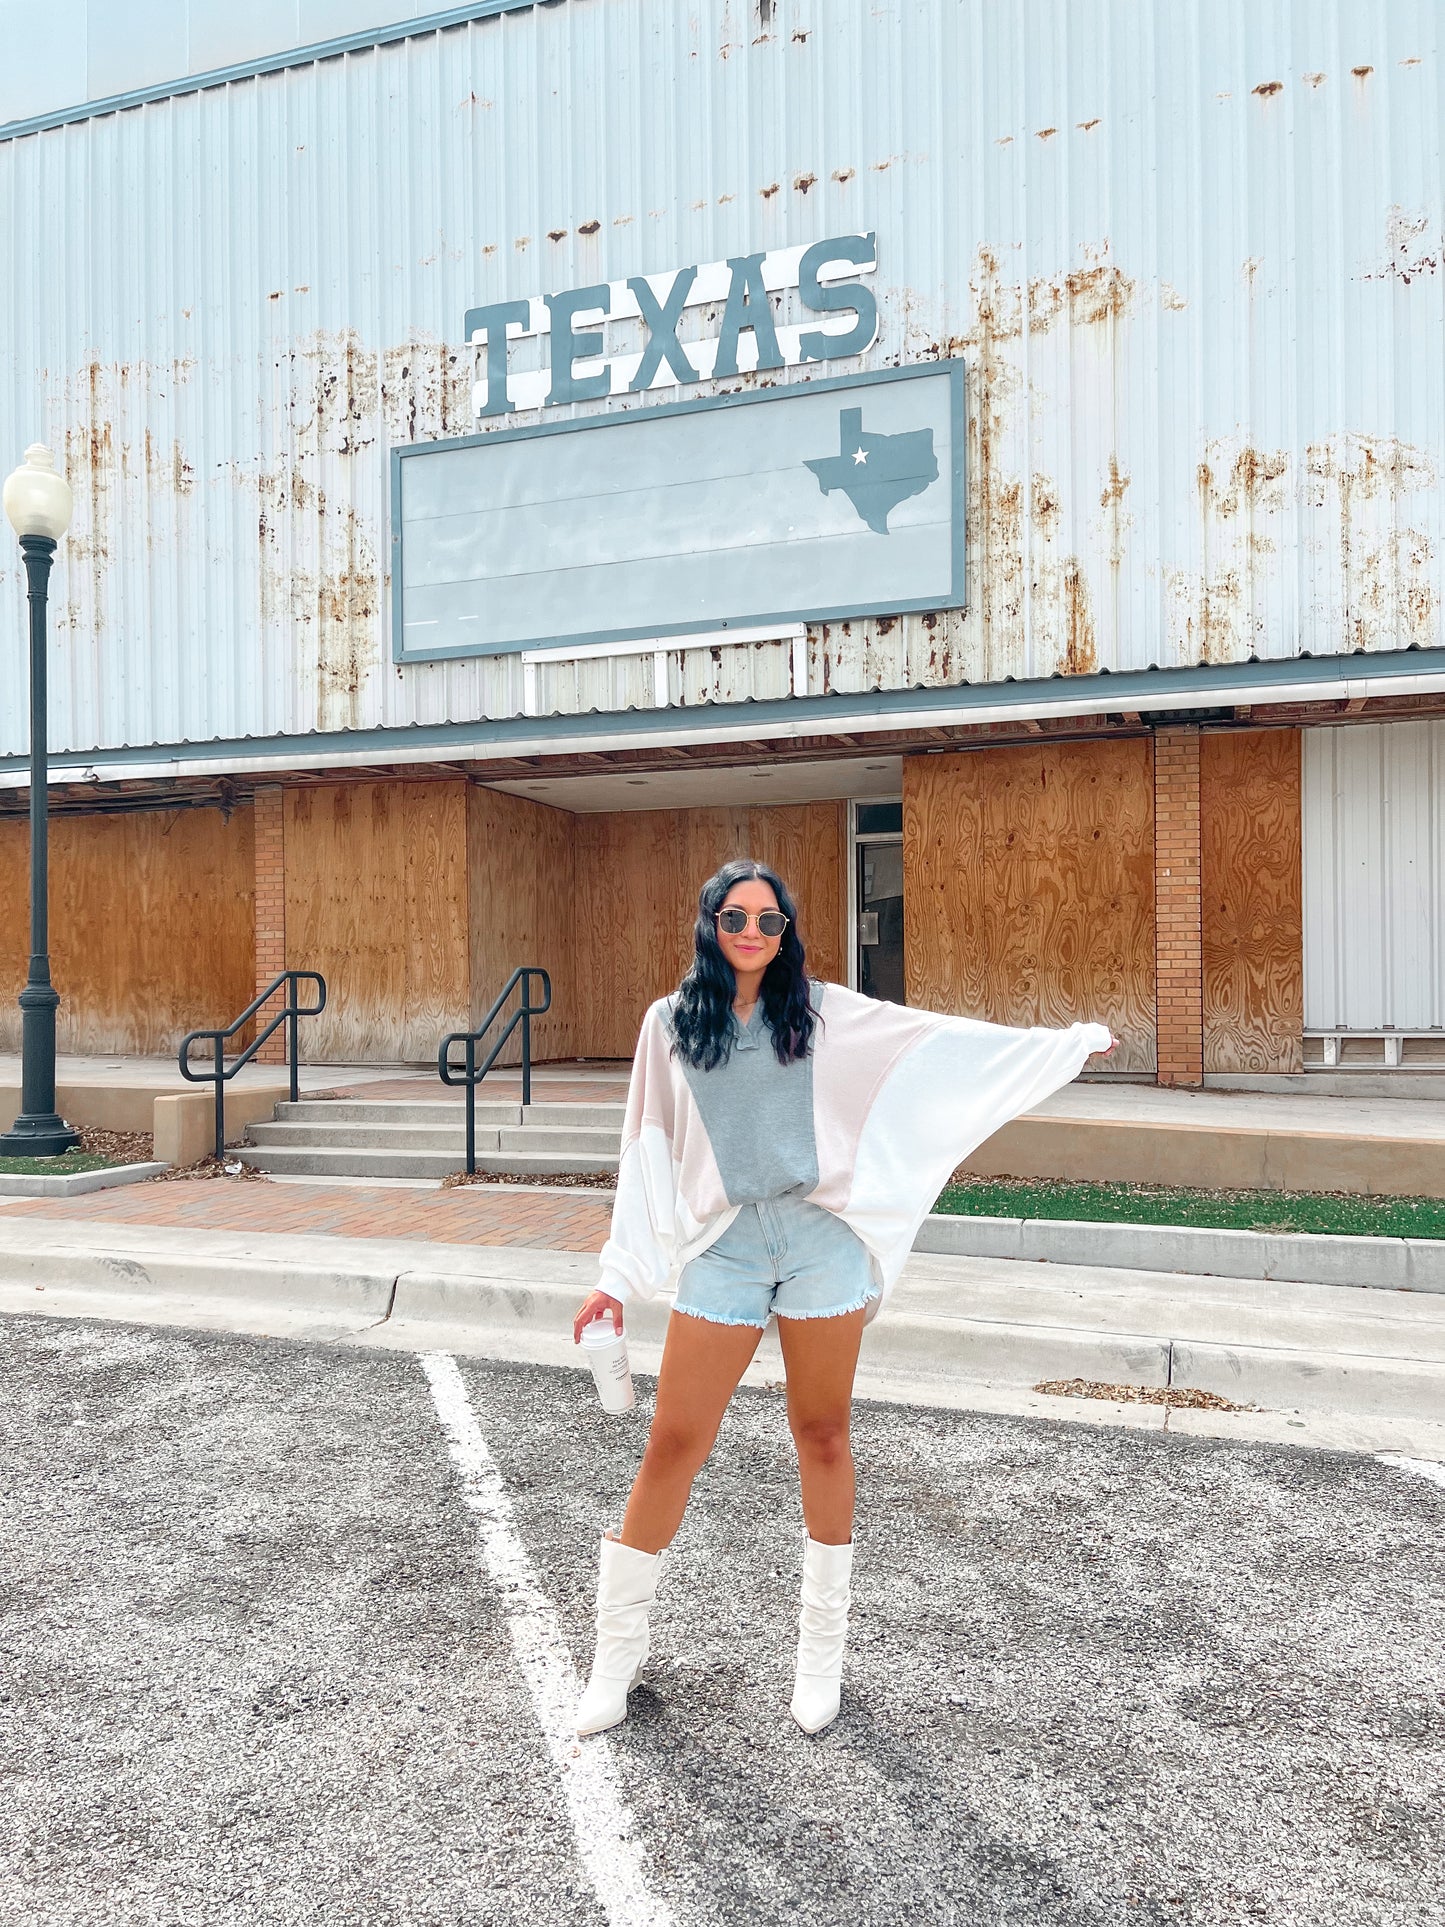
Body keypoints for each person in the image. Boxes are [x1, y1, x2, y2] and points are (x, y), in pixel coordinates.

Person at [571, 858, 1113, 1738]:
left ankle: (819, 1658)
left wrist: (1060, 1046)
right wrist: (616, 1278)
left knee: (821, 1433)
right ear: (708, 924)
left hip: (821, 1242)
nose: (751, 934)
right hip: (726, 1246)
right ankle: (613, 1662)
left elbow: (933, 1045)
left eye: (769, 921)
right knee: (674, 1439)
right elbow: (647, 1148)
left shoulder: (818, 1011)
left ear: (786, 932)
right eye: (735, 918)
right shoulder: (669, 1023)